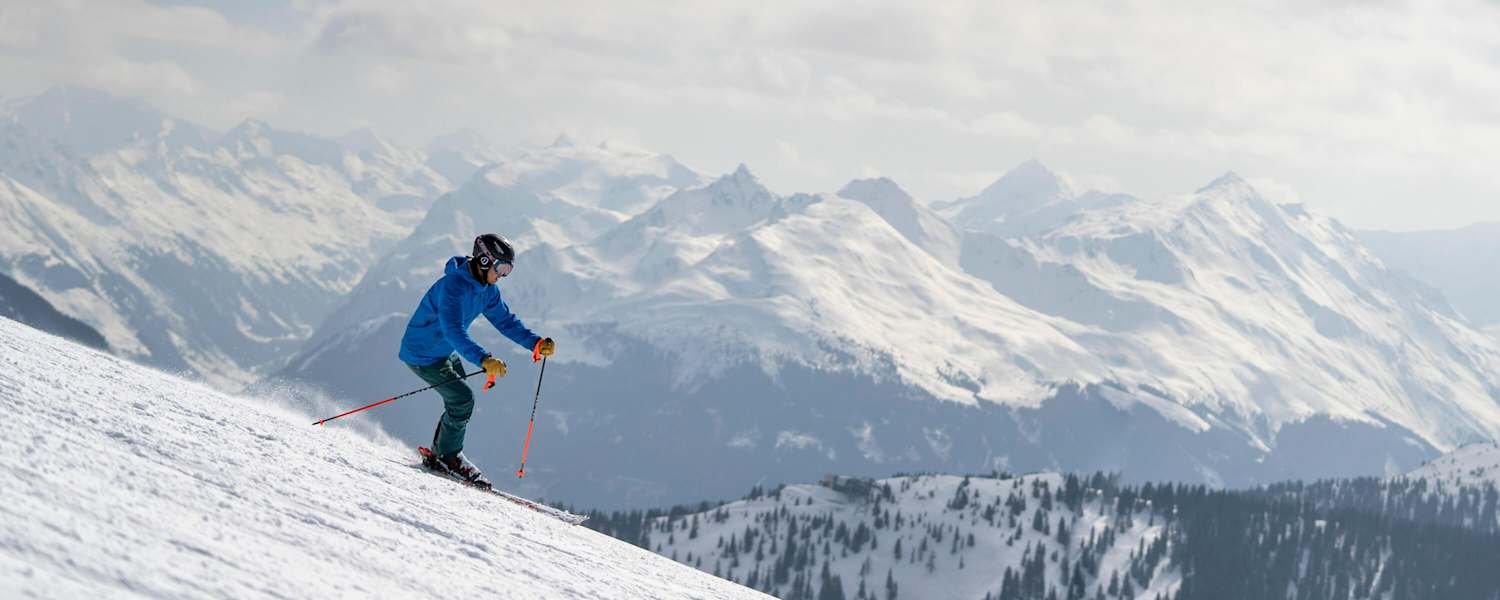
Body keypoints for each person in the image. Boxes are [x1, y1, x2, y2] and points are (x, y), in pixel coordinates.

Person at [397, 233, 555, 488]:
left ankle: (442, 454)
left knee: (459, 401)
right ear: (484, 261)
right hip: (423, 354)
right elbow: (453, 330)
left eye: (508, 270)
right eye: (501, 268)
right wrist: (484, 359)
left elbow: (505, 321)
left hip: (443, 350)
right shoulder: (453, 288)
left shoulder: (487, 290)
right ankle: (448, 456)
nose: (503, 275)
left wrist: (534, 343)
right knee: (462, 400)